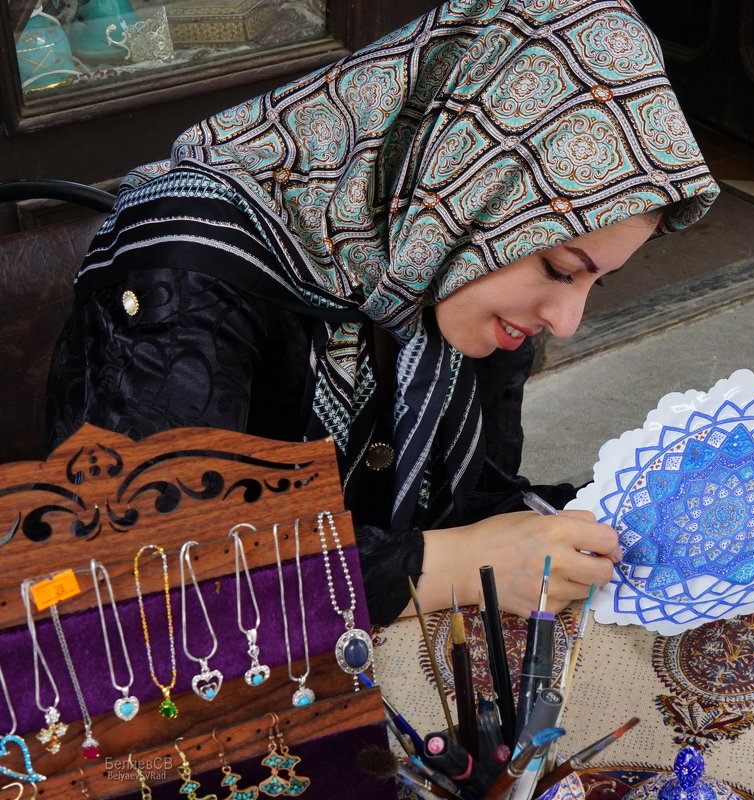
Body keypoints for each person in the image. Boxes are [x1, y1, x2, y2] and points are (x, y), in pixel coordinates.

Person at [44, 0, 719, 624]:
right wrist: (442, 569)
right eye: (558, 269)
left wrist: (608, 526)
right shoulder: (190, 263)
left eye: (593, 284)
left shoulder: (443, 264)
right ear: (465, 179)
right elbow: (141, 573)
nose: (566, 319)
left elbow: (473, 495)